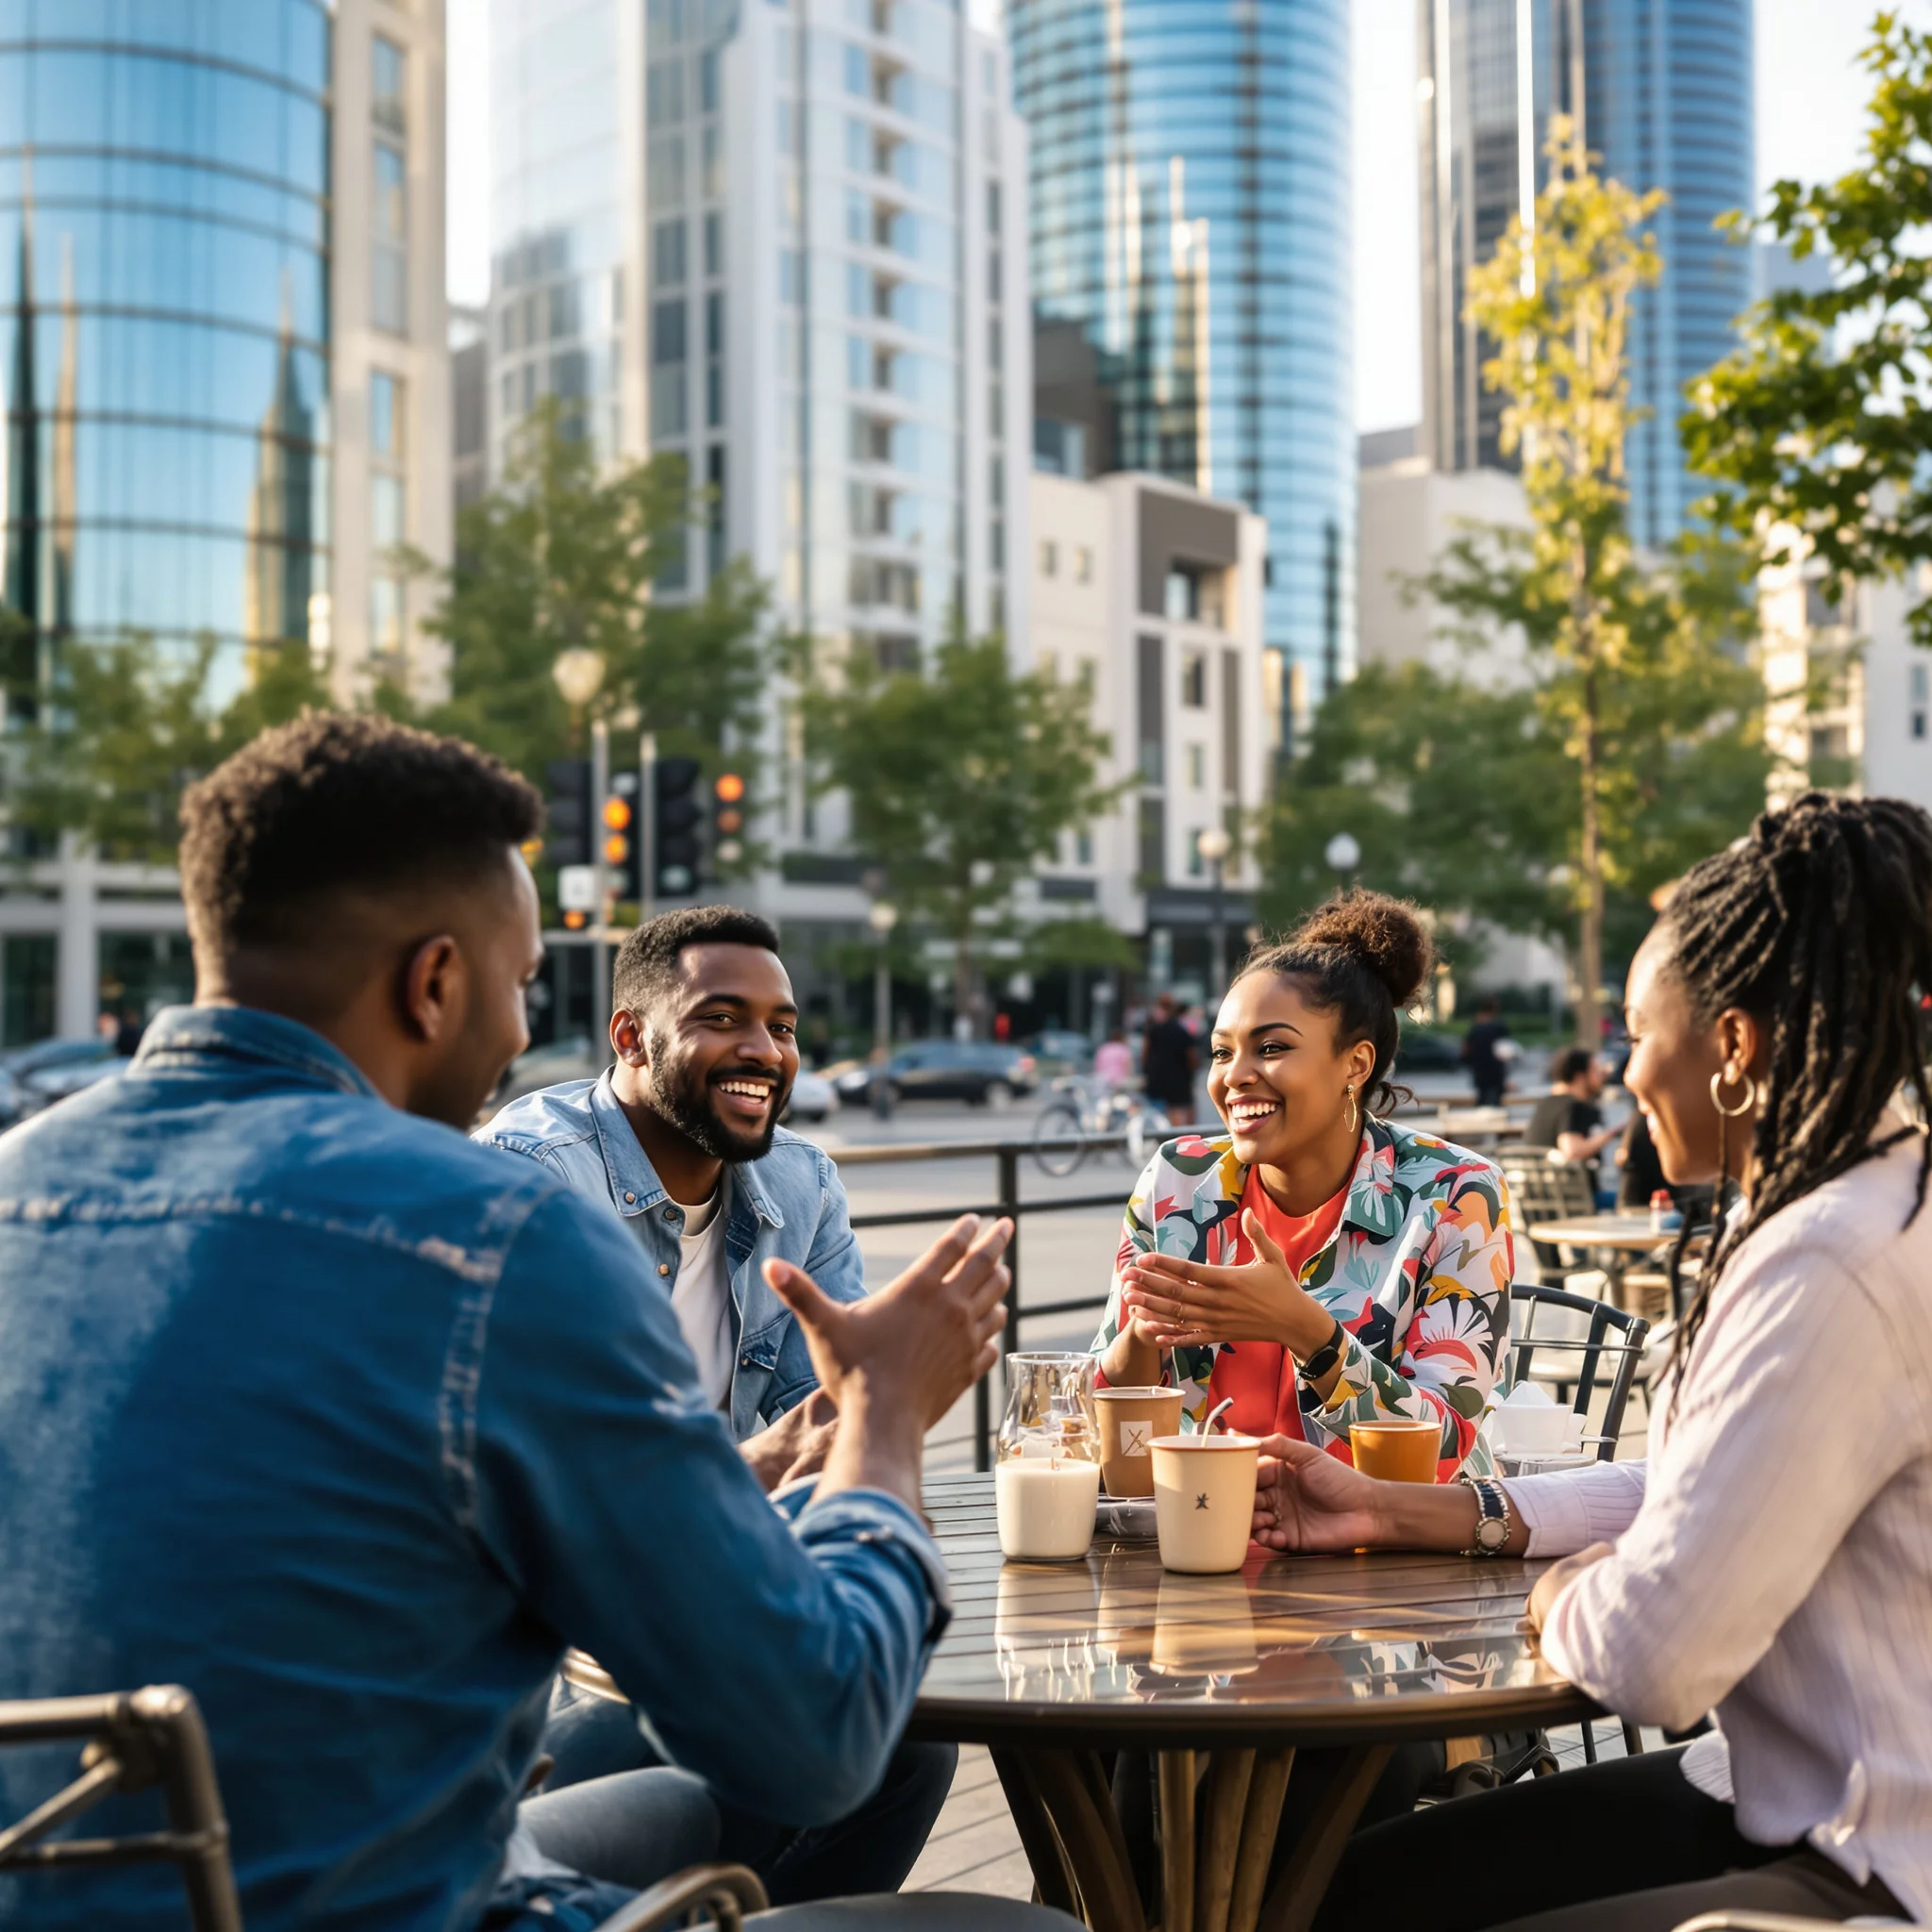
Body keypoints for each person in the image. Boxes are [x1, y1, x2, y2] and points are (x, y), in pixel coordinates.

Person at [0, 714, 1073, 1932]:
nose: (520, 1037)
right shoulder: (495, 1233)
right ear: (436, 983)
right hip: (404, 1907)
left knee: (676, 1803)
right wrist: (885, 1413)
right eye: (517, 988)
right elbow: (814, 1735)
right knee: (1023, 1924)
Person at [1248, 792, 1932, 1932]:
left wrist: (1568, 1595)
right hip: (1795, 1788)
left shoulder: (1827, 1263)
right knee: (1352, 1885)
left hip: (1871, 1849)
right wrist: (1394, 1507)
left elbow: (1656, 1657)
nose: (1620, 1076)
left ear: (1729, 1046)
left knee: (1346, 1905)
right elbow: (1688, 1486)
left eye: (1632, 1035)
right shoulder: (1869, 1205)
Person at [478, 907, 954, 1902]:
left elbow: (821, 1431)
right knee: (851, 1735)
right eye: (723, 1017)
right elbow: (566, 1525)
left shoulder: (798, 1178)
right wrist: (845, 1429)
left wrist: (876, 1398)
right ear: (630, 1037)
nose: (763, 1050)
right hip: (549, 1677)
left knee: (904, 1739)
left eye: (781, 1025)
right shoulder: (532, 1182)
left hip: (693, 1609)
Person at [1091, 891, 1516, 1840]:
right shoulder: (1179, 1183)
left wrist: (1308, 1335)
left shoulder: (1452, 1194)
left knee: (1314, 1792)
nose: (1235, 1074)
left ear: (1353, 1065)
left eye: (1271, 1047)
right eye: (1221, 1050)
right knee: (1099, 1752)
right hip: (1190, 1583)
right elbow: (1102, 1432)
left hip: (1388, 1598)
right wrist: (1139, 1340)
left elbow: (1443, 1443)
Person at [1140, 991, 1196, 1121]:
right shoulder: (1181, 1030)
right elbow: (1192, 1055)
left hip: (1157, 1077)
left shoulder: (1152, 1028)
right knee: (1180, 1112)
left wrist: (1146, 1072)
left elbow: (1144, 1053)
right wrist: (1191, 1074)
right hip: (1178, 1078)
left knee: (1158, 1114)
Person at [1459, 997, 1512, 1108]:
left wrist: (1469, 1063)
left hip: (1479, 1069)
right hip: (1495, 1069)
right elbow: (1505, 1050)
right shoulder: (1499, 1027)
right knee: (1497, 1101)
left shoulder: (1475, 1026)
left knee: (1481, 1099)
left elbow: (1466, 1048)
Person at [1092, 1027, 1133, 1091]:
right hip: (1118, 1082)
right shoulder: (1124, 1049)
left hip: (1102, 1080)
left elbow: (1097, 1066)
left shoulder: (1103, 1048)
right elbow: (1128, 1068)